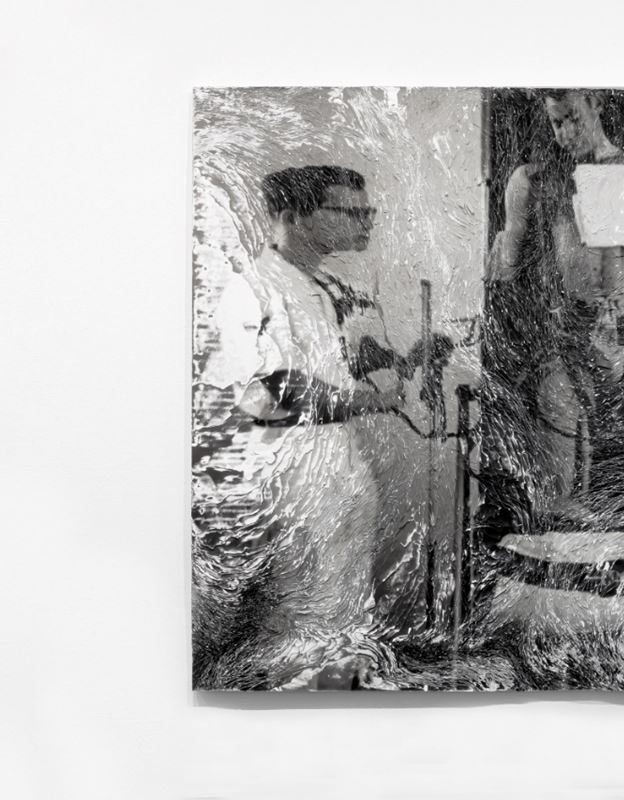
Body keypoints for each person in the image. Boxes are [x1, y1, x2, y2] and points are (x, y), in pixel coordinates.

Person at [198, 165, 412, 688]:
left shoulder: (313, 287)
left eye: (367, 212)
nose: (365, 222)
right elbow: (272, 392)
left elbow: (322, 368)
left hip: (334, 475)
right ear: (293, 216)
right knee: (302, 625)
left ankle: (335, 700)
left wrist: (398, 361)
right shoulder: (253, 290)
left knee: (342, 615)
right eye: (349, 212)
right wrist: (372, 400)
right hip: (296, 483)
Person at [484, 90, 624, 529]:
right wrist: (501, 251)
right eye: (556, 122)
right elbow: (508, 266)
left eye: (572, 118)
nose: (564, 133)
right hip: (571, 333)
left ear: (596, 104)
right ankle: (562, 527)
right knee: (557, 419)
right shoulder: (535, 180)